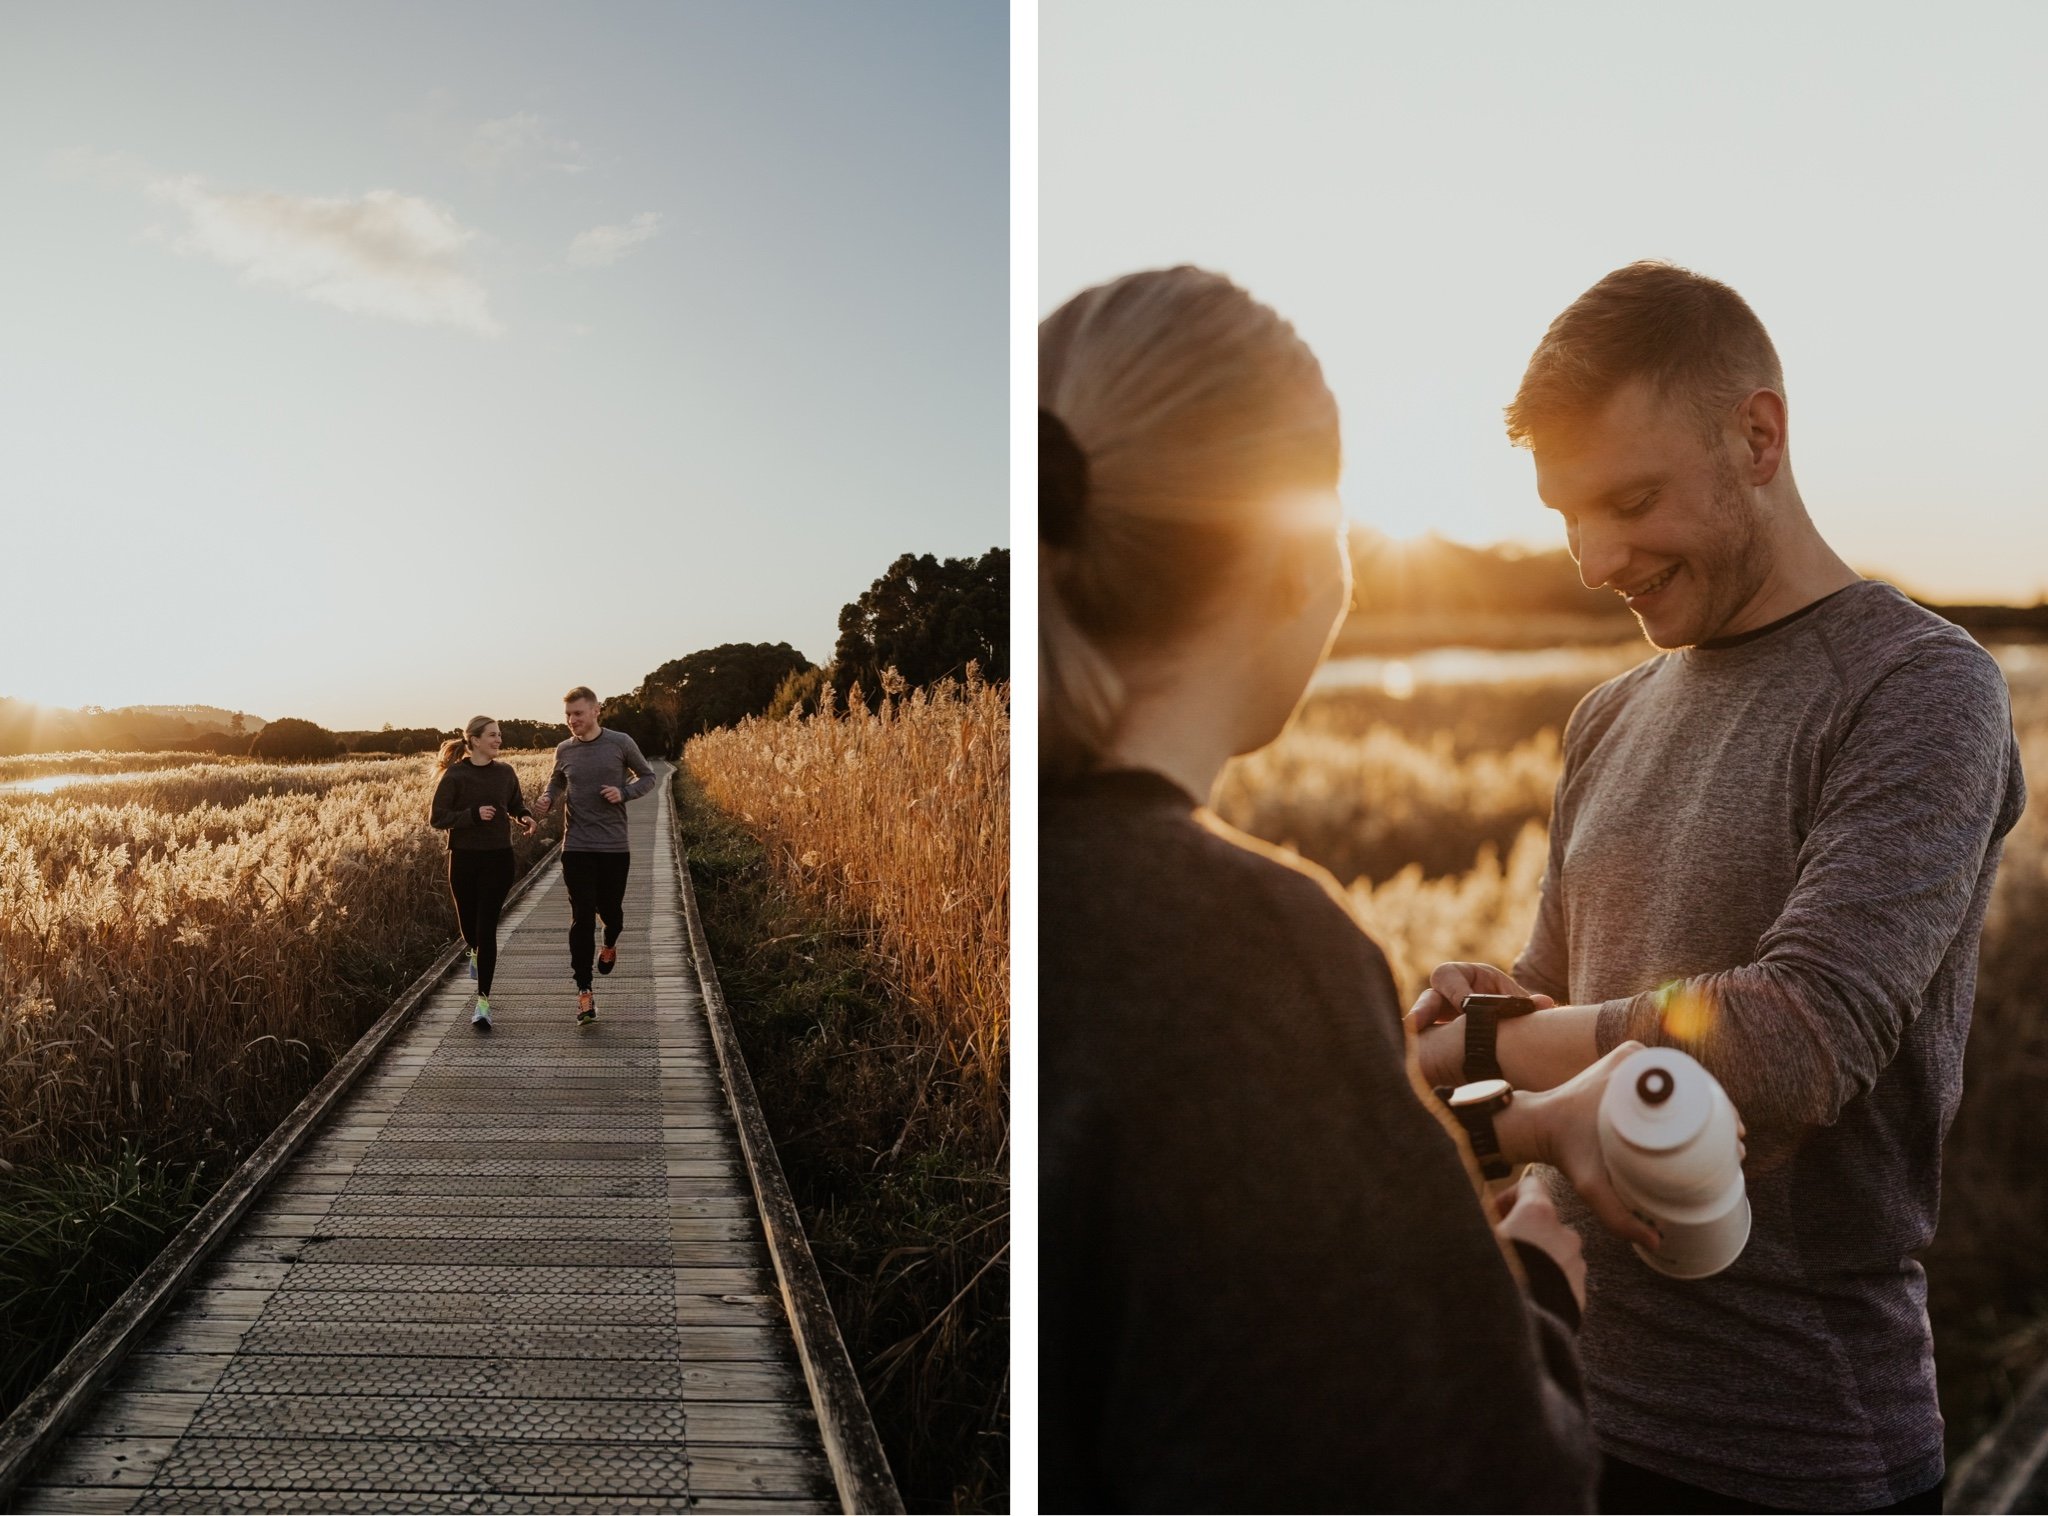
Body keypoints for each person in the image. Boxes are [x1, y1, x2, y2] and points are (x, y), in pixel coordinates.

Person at [1405, 262, 2028, 1514]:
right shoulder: (1606, 715)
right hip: (1570, 1409)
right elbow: (1550, 1030)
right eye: (1567, 516)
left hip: (1796, 1450)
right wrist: (1490, 1015)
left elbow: (1796, 1042)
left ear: (1757, 436)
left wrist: (1501, 1039)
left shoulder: (1914, 688)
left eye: (1629, 500)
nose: (1592, 558)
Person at [1040, 265, 1665, 1513]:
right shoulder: (1246, 944)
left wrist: (1492, 1118)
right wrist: (1533, 1282)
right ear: (1295, 565)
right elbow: (1459, 1477)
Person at [532, 686, 656, 1025]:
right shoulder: (564, 749)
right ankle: (584, 992)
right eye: (568, 715)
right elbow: (556, 781)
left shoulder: (620, 743)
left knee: (612, 914)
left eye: (578, 714)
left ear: (596, 711)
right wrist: (547, 798)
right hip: (576, 846)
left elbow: (648, 777)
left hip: (614, 847)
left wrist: (624, 792)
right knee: (582, 917)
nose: (572, 721)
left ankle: (611, 941)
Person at [429, 715, 535, 1031]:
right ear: (474, 740)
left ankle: (483, 1003)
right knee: (469, 930)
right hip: (463, 859)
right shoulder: (455, 775)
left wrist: (525, 817)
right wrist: (472, 815)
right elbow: (437, 818)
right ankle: (473, 951)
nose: (498, 740)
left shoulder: (505, 773)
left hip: (499, 859)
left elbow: (516, 803)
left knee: (487, 928)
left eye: (499, 735)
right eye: (492, 735)